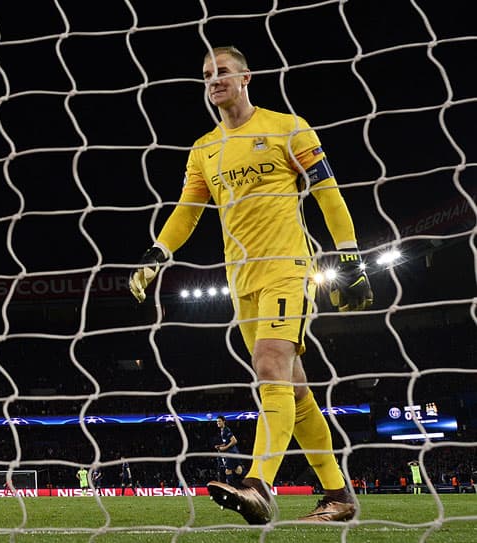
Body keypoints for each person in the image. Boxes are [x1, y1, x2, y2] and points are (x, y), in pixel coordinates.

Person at [129, 46, 373, 524]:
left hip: (288, 266)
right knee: (295, 391)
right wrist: (158, 252)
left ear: (246, 79)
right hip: (240, 280)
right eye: (206, 75)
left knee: (269, 366)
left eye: (222, 72)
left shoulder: (287, 127)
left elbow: (328, 193)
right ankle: (338, 496)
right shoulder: (204, 149)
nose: (213, 80)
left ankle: (259, 484)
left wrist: (349, 255)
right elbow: (188, 210)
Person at [215, 416, 243, 488]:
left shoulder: (226, 430)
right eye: (217, 421)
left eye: (219, 421)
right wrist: (220, 445)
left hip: (232, 453)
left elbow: (234, 441)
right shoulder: (222, 431)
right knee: (238, 470)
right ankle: (244, 484)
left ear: (224, 421)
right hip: (234, 453)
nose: (218, 423)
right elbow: (227, 442)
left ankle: (230, 489)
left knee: (228, 471)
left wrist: (224, 448)